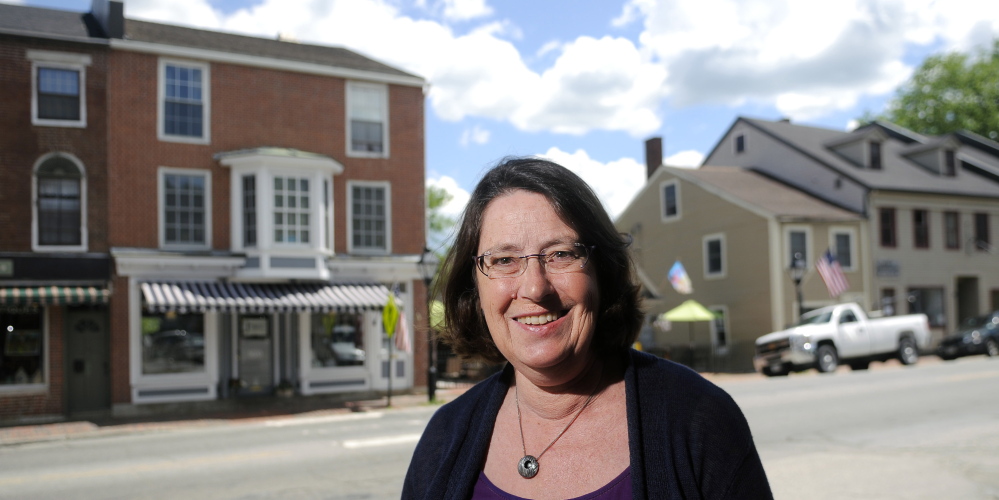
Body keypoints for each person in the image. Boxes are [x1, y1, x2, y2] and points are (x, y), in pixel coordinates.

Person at [403, 157, 772, 499]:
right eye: (504, 260)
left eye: (561, 254)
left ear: (602, 272)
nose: (535, 288)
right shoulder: (443, 438)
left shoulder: (698, 420)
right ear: (475, 290)